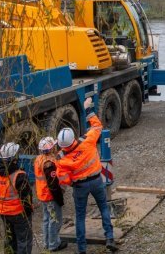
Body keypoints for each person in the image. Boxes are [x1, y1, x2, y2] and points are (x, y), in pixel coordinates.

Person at [56, 98, 117, 253]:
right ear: (74, 137)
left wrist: (73, 182)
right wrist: (88, 109)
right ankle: (109, 238)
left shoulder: (61, 159)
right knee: (103, 207)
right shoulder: (87, 141)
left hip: (79, 186)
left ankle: (81, 249)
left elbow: (64, 179)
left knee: (80, 217)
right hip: (96, 181)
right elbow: (97, 126)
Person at [0, 142, 33, 254]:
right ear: (14, 157)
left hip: (3, 213)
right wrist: (28, 213)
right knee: (23, 241)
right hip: (19, 213)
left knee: (10, 239)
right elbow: (27, 200)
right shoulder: (19, 176)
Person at [35, 137, 67, 252]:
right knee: (54, 220)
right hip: (50, 197)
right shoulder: (49, 164)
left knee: (46, 219)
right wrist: (59, 199)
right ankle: (53, 244)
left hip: (43, 195)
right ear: (51, 148)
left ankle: (47, 243)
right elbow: (53, 185)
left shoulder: (39, 159)